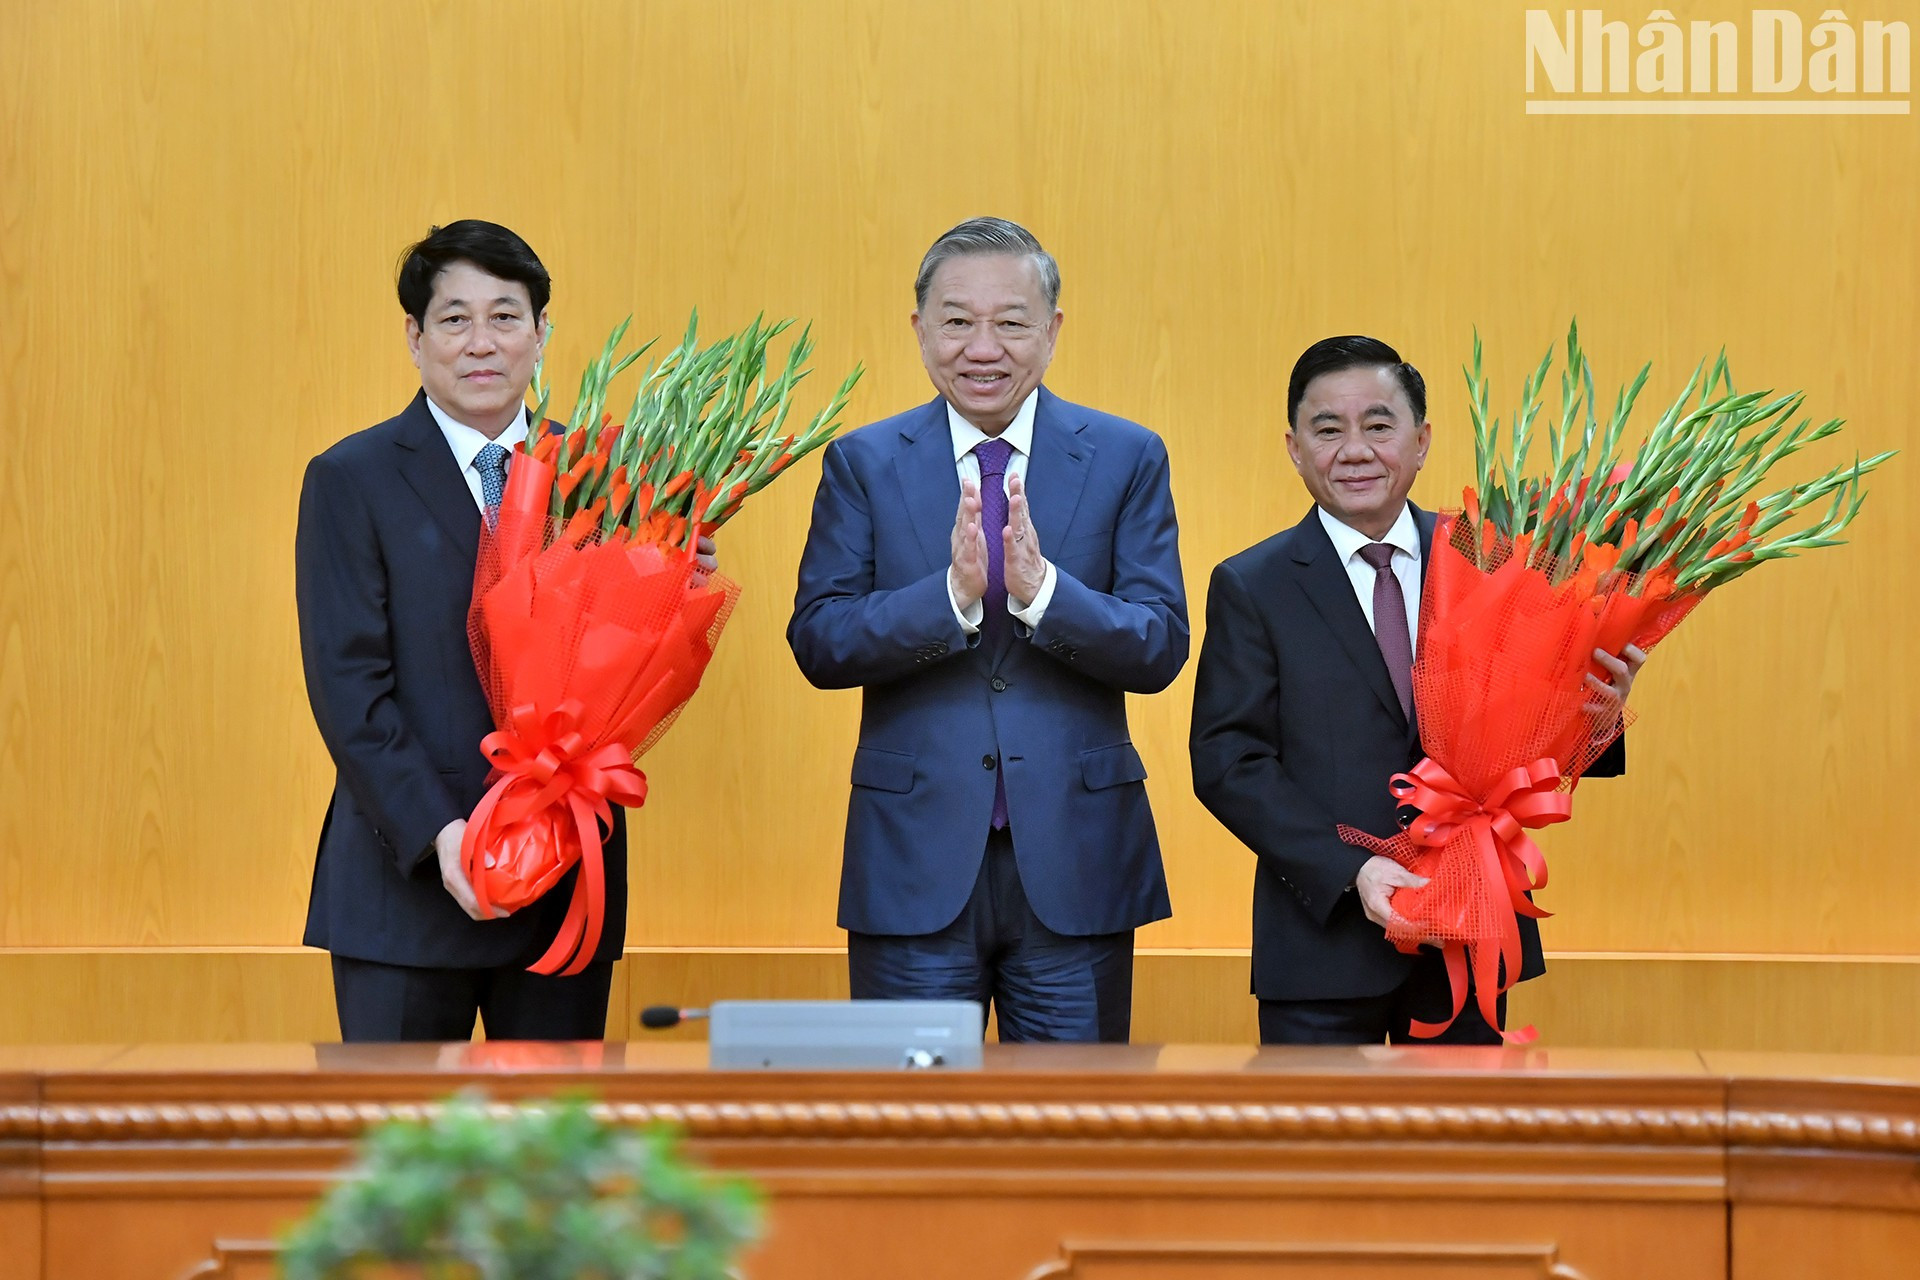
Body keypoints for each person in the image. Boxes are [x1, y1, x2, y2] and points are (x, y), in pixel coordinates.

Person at [295, 220, 712, 1042]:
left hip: (563, 890)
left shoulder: (609, 478)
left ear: (542, 333)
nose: (481, 343)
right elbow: (350, 693)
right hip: (405, 888)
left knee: (558, 1161)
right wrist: (445, 839)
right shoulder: (351, 479)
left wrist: (671, 582)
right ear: (414, 338)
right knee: (410, 1163)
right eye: (454, 319)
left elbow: (629, 666)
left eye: (506, 316)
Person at [787, 217, 1188, 1042]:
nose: (983, 347)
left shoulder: (1126, 455)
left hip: (1076, 863)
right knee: (916, 1137)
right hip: (914, 863)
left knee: (1071, 1137)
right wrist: (950, 597)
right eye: (957, 321)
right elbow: (821, 642)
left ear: (1052, 330)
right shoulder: (863, 462)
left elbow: (1158, 645)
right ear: (919, 328)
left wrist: (1042, 594)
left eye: (1011, 322)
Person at [1188, 335, 1644, 1045]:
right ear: (1294, 448)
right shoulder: (1253, 585)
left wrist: (1597, 717)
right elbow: (1228, 763)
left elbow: (1537, 742)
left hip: (1469, 939)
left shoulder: (1493, 558)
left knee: (1463, 1156)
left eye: (1378, 425)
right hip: (1321, 950)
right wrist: (1352, 871)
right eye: (1328, 429)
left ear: (1422, 440)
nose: (1356, 449)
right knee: (1324, 1156)